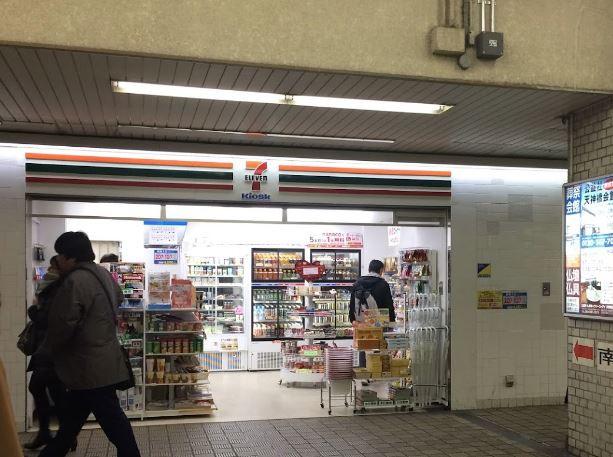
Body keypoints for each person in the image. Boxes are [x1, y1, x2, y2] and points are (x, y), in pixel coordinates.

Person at [39, 232, 140, 457]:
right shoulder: (102, 273)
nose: (59, 260)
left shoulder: (75, 280)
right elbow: (119, 297)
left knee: (113, 422)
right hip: (102, 360)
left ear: (71, 256)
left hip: (88, 365)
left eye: (60, 255)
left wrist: (48, 351)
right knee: (71, 424)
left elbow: (64, 324)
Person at [24, 256, 74, 451]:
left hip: (50, 349)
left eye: (53, 267)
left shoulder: (58, 289)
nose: (49, 271)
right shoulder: (53, 288)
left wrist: (32, 310)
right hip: (48, 348)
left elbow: (47, 319)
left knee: (39, 386)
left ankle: (55, 434)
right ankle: (62, 435)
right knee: (55, 390)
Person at [349, 259, 395, 367]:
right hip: (379, 322)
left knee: (362, 345)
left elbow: (351, 303)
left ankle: (364, 370)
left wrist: (352, 319)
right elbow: (389, 304)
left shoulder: (357, 283)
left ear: (369, 269)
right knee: (379, 346)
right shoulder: (383, 284)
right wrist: (392, 322)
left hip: (361, 321)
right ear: (381, 270)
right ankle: (377, 370)